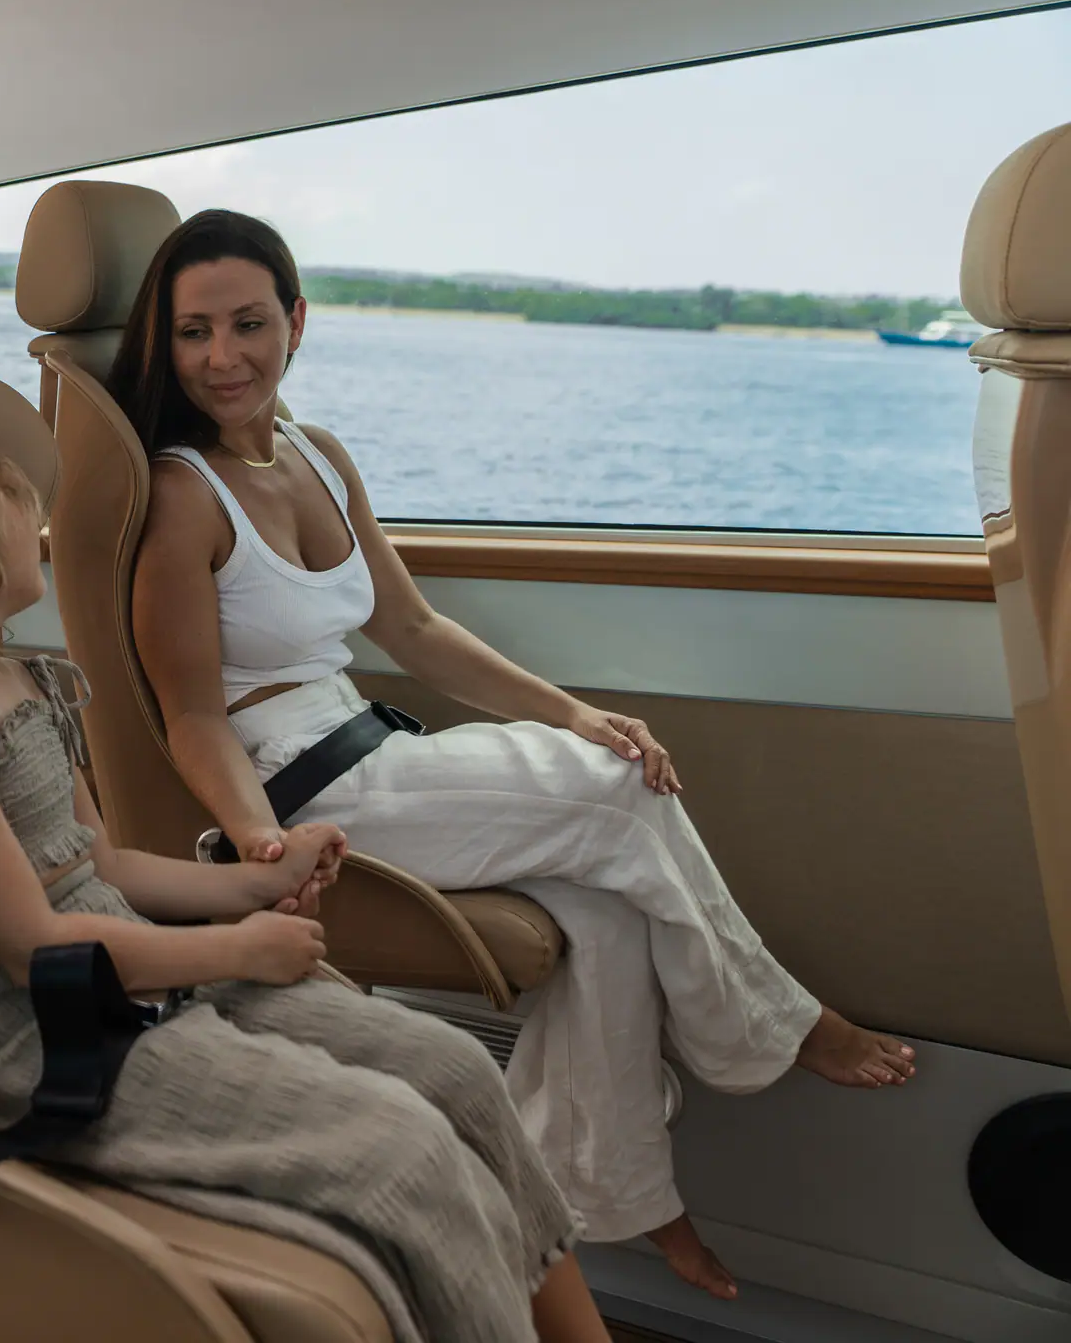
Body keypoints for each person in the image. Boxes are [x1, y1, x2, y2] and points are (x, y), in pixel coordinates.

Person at [106, 208, 918, 1299]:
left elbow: (413, 628)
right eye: (193, 332)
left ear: (297, 321)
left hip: (367, 748)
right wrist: (262, 846)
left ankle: (615, 1202)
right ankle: (780, 1023)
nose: (222, 357)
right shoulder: (179, 491)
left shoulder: (317, 455)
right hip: (303, 792)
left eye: (248, 324)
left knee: (606, 917)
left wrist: (573, 712)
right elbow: (193, 716)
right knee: (618, 791)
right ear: (163, 342)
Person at [0, 402, 615, 1343]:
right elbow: (33, 951)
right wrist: (239, 951)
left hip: (119, 964)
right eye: (7, 492)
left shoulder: (19, 678)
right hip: (24, 1027)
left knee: (456, 1071)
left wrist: (255, 884)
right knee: (402, 1152)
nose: (30, 508)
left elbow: (103, 866)